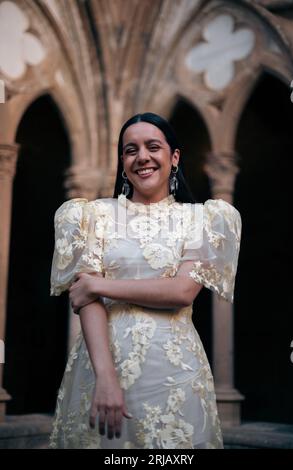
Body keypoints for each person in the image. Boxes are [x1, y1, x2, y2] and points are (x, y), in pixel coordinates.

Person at [48, 112, 241, 449]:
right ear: (122, 161)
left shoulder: (200, 218)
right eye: (130, 150)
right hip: (100, 366)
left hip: (174, 375)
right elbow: (84, 301)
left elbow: (182, 291)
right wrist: (105, 378)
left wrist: (99, 284)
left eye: (153, 147)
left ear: (174, 156)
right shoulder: (92, 215)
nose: (142, 157)